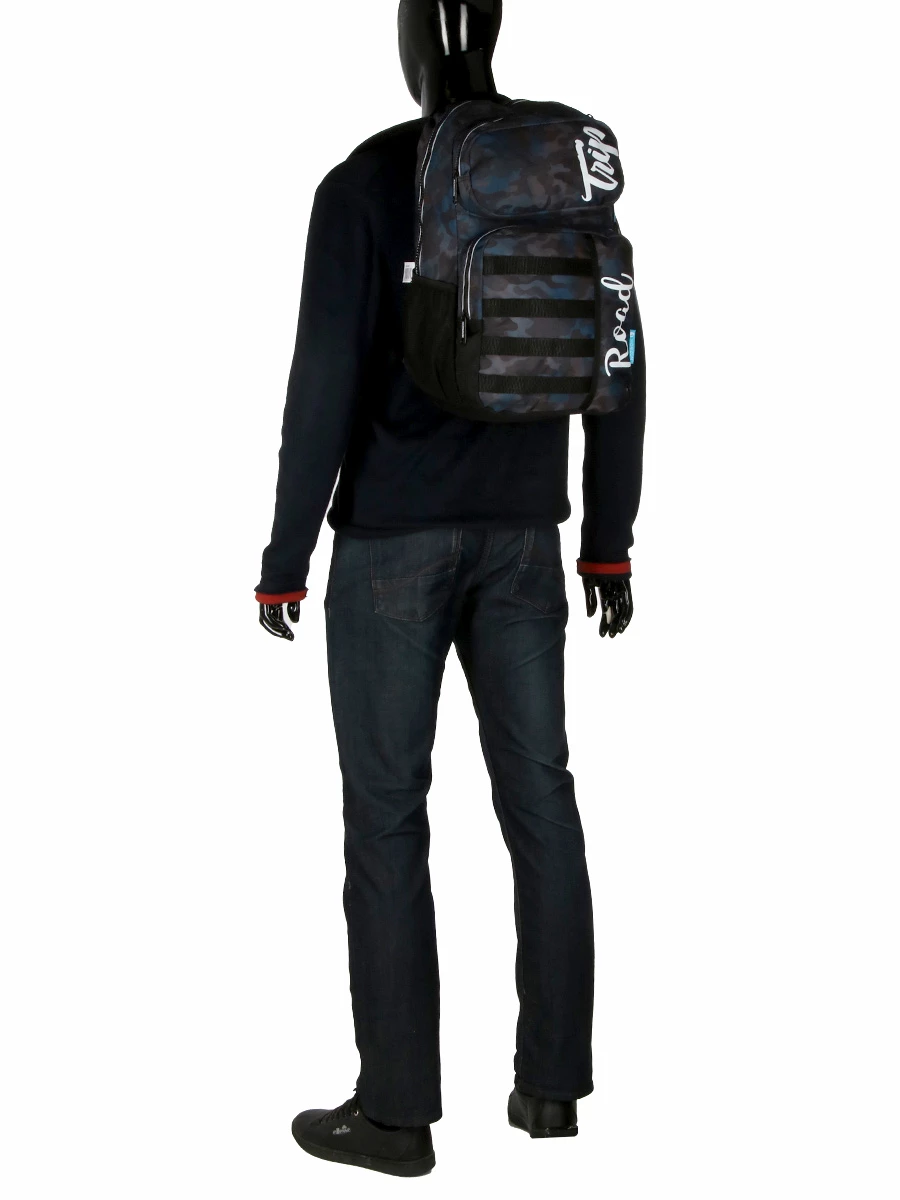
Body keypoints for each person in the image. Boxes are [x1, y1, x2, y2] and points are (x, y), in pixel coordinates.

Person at [255, 0, 645, 1177]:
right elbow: (622, 359)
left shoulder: (363, 183)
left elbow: (323, 377)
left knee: (387, 821)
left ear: (413, 43)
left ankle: (396, 1116)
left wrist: (285, 555)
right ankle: (551, 1090)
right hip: (528, 540)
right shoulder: (563, 178)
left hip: (392, 547)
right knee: (543, 802)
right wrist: (608, 541)